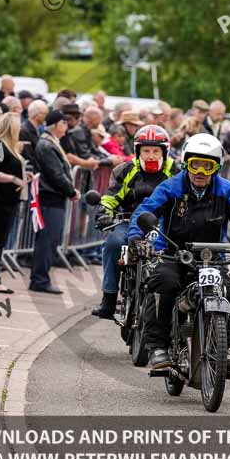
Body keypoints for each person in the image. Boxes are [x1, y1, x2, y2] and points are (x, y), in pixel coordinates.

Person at [127, 134, 230, 370]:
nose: (200, 171)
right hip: (173, 254)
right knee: (163, 283)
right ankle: (157, 347)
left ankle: (223, 349)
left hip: (212, 258)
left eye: (207, 166)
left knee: (226, 292)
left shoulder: (228, 190)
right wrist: (137, 238)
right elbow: (146, 211)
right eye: (194, 164)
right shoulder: (170, 187)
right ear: (186, 163)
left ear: (216, 168)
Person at [91, 125, 178, 318]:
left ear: (165, 151)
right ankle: (109, 299)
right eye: (146, 151)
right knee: (113, 243)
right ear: (138, 151)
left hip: (164, 224)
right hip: (128, 220)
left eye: (156, 151)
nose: (151, 156)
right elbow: (111, 196)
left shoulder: (177, 171)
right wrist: (103, 212)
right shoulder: (125, 170)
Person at [29, 110, 79, 294]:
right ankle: (40, 279)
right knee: (46, 240)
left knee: (51, 240)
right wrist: (71, 190)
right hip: (49, 198)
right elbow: (56, 174)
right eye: (64, 123)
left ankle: (41, 277)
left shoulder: (51, 143)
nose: (66, 126)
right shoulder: (47, 145)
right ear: (56, 124)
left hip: (54, 198)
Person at [0, 113, 29, 294]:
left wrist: (24, 178)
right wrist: (14, 179)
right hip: (0, 200)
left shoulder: (11, 147)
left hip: (10, 200)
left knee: (0, 241)